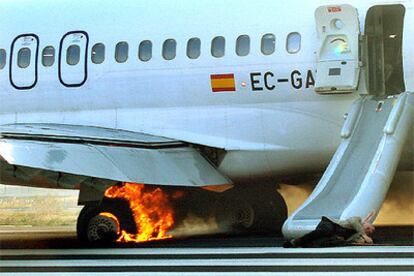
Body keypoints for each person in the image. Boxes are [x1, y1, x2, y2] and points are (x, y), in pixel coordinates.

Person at [284, 211, 376, 248]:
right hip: (330, 224)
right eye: (368, 228)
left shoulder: (356, 233)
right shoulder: (358, 220)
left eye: (369, 232)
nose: (367, 230)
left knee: (329, 242)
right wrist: (364, 235)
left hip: (332, 234)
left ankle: (304, 243)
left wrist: (362, 241)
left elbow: (349, 240)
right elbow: (353, 222)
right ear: (365, 223)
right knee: (326, 231)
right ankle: (297, 241)